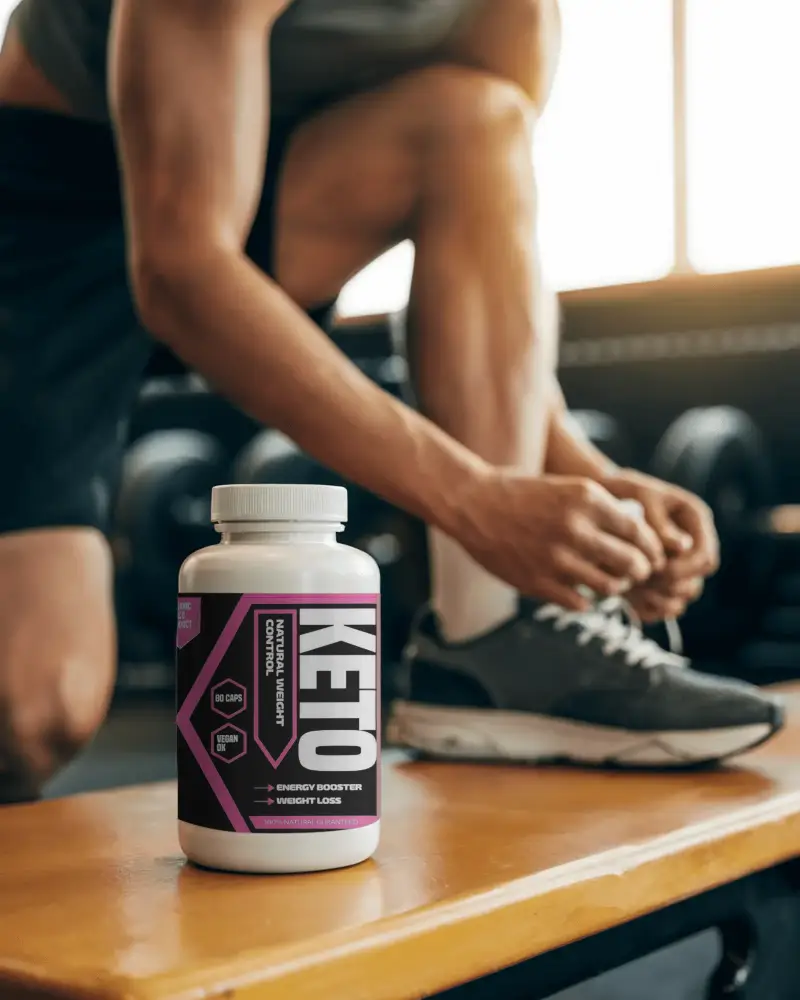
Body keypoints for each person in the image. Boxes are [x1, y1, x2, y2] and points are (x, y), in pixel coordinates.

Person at [0, 0, 782, 802]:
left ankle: (486, 640)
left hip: (255, 185)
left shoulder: (517, 12)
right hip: (42, 216)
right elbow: (182, 276)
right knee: (33, 711)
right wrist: (474, 498)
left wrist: (579, 479)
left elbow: (489, 277)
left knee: (478, 124)